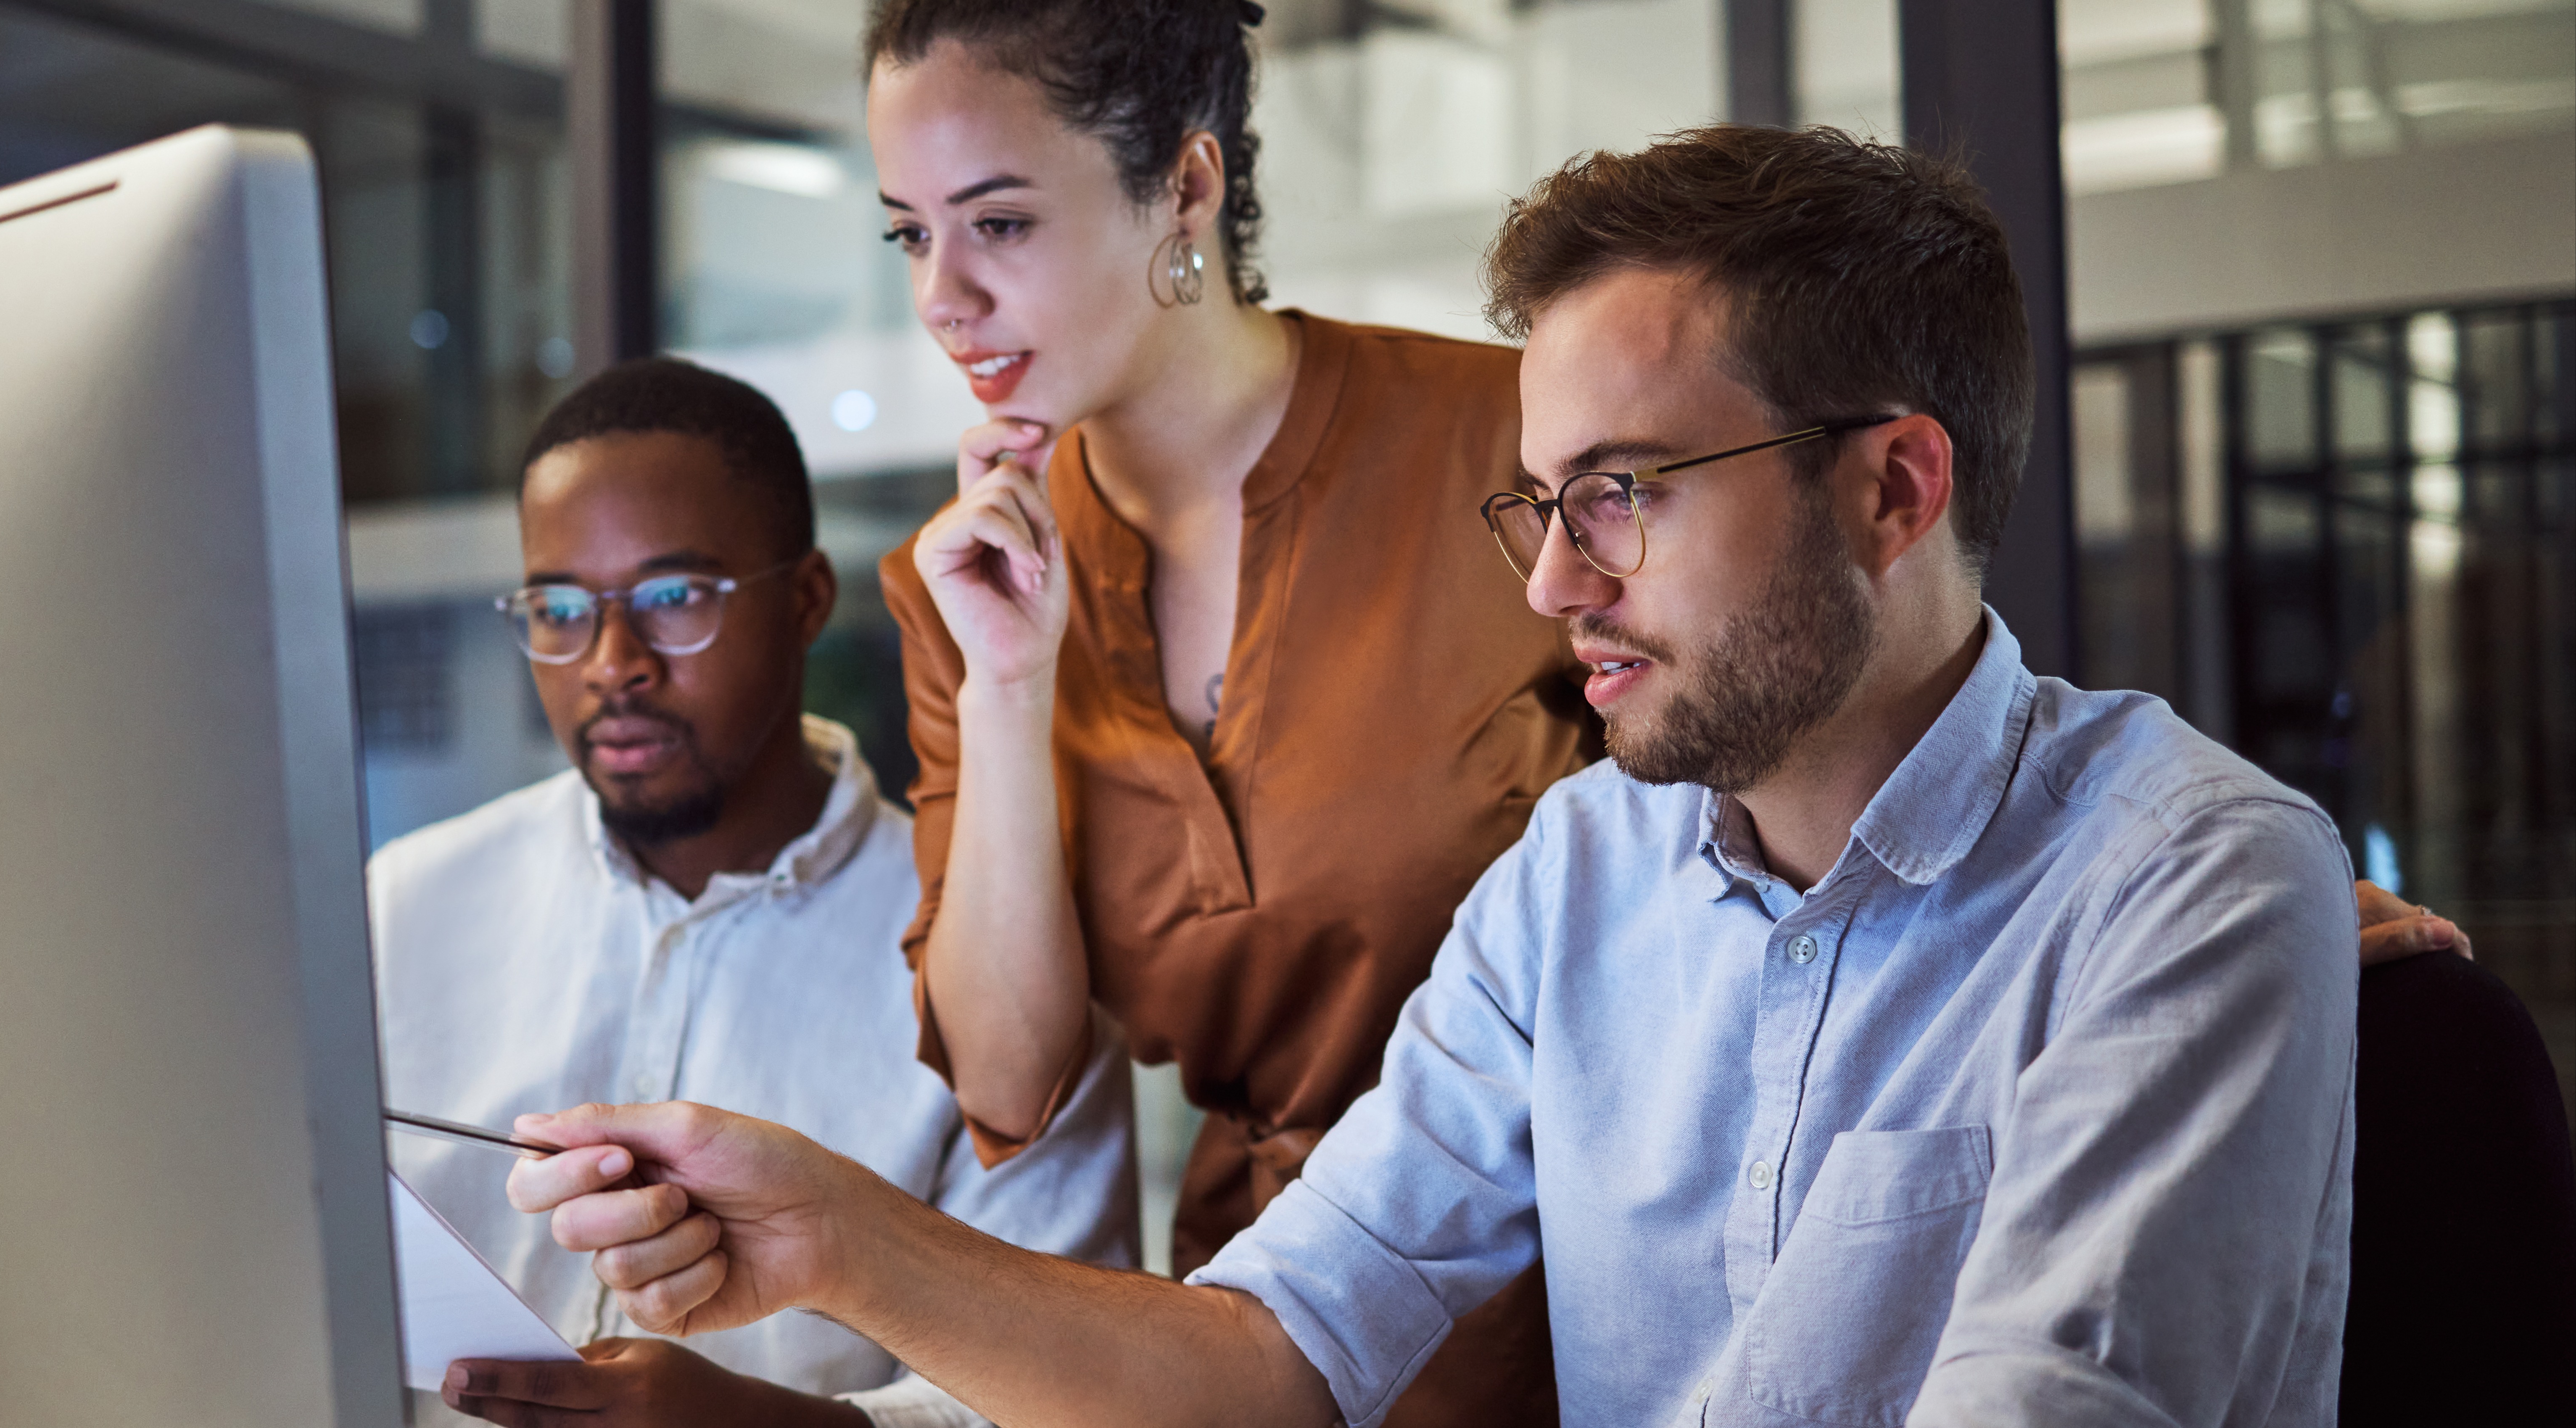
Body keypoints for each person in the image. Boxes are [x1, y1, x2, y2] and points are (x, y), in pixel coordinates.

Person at [504, 128, 2364, 1427]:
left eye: (1620, 492)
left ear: (1891, 488)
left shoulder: (2181, 884)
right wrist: (838, 1238)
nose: (1553, 585)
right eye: (1540, 503)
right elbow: (1270, 1356)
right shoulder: (1580, 874)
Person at [862, 4, 1592, 1415]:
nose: (942, 295)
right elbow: (1007, 1083)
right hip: (1241, 1337)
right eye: (908, 233)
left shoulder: (1510, 446)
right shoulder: (958, 583)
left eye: (998, 222)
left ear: (1184, 186)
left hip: (1583, 1317)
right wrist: (1009, 684)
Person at [368, 358, 1138, 1428]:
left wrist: (780, 1427)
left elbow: (1074, 1397)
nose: (612, 662)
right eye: (558, 608)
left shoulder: (996, 967)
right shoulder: (405, 907)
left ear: (808, 599)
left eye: (674, 597)